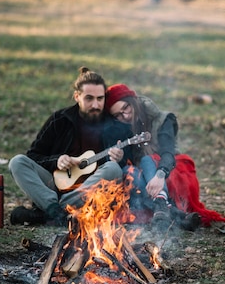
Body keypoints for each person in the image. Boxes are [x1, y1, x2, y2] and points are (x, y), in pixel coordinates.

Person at [8, 67, 134, 226]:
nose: (95, 104)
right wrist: (57, 160)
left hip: (89, 194)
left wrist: (120, 159)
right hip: (55, 186)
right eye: (89, 98)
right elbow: (33, 156)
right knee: (17, 162)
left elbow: (127, 170)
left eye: (100, 99)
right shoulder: (60, 120)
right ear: (77, 96)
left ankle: (54, 213)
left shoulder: (114, 126)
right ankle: (54, 209)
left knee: (113, 168)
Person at [105, 83, 225, 230]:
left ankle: (164, 207)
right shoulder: (122, 127)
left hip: (171, 173)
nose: (125, 116)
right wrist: (118, 157)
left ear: (133, 101)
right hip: (145, 184)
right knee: (128, 171)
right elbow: (127, 164)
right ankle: (173, 214)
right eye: (118, 115)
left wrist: (160, 174)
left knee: (147, 159)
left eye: (126, 108)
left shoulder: (163, 119)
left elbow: (168, 153)